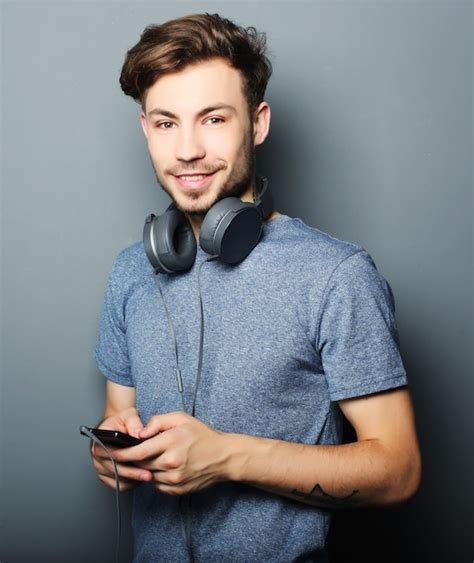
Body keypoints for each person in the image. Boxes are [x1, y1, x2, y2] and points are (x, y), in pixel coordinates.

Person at [90, 13, 421, 562]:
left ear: (258, 122)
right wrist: (111, 448)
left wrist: (225, 458)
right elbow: (115, 413)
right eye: (167, 123)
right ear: (146, 129)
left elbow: (399, 471)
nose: (188, 149)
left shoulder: (335, 275)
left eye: (214, 119)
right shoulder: (131, 271)